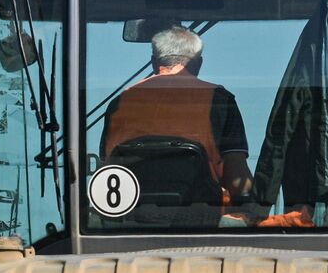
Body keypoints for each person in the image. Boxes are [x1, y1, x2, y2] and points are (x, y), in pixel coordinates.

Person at [101, 25, 254, 204]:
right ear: (198, 63)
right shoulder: (219, 100)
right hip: (201, 215)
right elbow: (237, 176)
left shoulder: (120, 102)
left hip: (129, 218)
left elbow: (108, 168)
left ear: (154, 62)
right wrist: (250, 205)